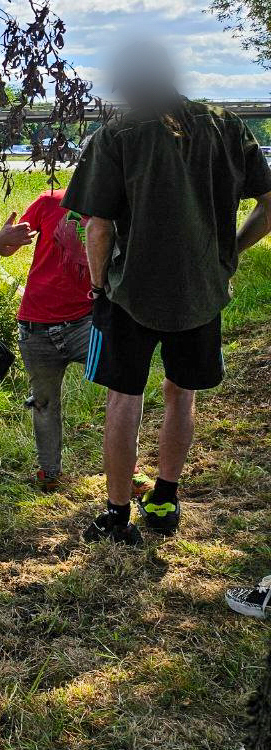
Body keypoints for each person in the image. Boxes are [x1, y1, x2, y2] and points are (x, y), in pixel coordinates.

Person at [62, 40, 271, 544]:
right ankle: (164, 499)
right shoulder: (225, 126)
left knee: (123, 398)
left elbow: (97, 226)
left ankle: (116, 515)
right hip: (202, 290)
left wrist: (96, 288)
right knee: (182, 395)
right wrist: (230, 252)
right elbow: (269, 205)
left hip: (129, 291)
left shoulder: (118, 135)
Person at [0, 192, 96, 489]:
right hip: (36, 326)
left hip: (86, 323)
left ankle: (128, 468)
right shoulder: (50, 201)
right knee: (44, 402)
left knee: (123, 390)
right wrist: (1, 239)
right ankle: (49, 473)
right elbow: (5, 248)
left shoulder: (119, 206)